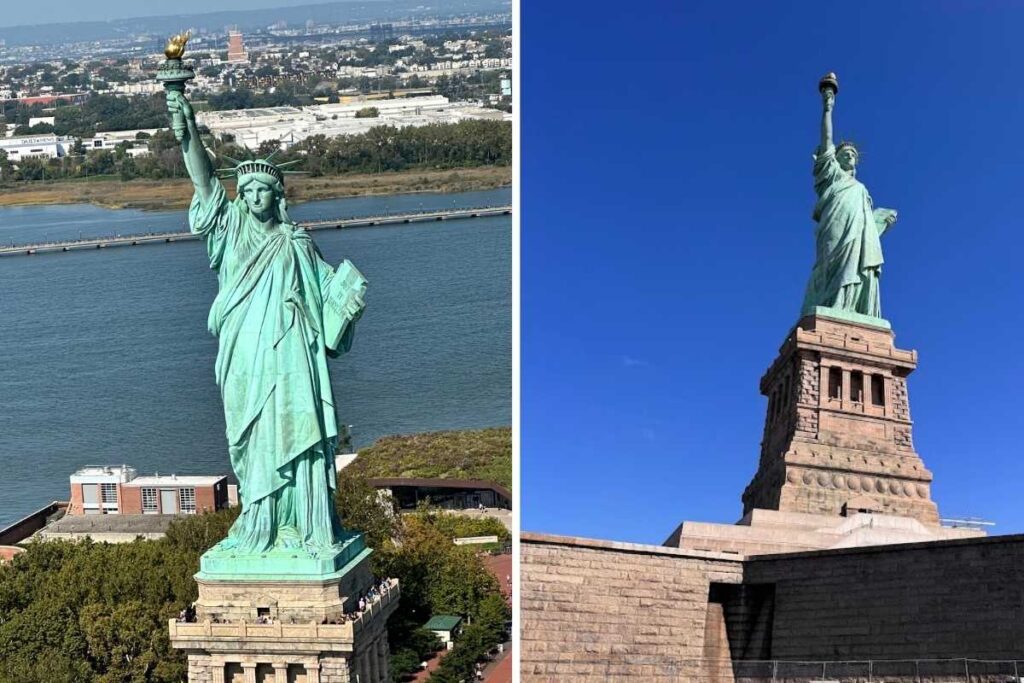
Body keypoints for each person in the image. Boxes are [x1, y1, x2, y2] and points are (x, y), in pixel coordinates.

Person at [166, 89, 367, 555]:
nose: (255, 197)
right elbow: (202, 179)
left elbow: (328, 304)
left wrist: (348, 301)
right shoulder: (230, 229)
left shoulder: (298, 243)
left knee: (301, 432)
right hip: (243, 351)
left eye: (264, 190)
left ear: (278, 196)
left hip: (293, 352)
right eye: (248, 190)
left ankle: (306, 523)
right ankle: (261, 520)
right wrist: (186, 126)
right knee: (251, 434)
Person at [801, 79, 897, 319]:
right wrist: (828, 108)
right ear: (836, 158)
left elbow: (867, 226)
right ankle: (833, 306)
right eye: (845, 153)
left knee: (857, 265)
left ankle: (852, 309)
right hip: (834, 226)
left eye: (853, 154)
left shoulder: (862, 189)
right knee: (830, 265)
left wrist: (879, 219)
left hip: (858, 233)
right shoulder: (831, 175)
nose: (850, 156)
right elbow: (826, 140)